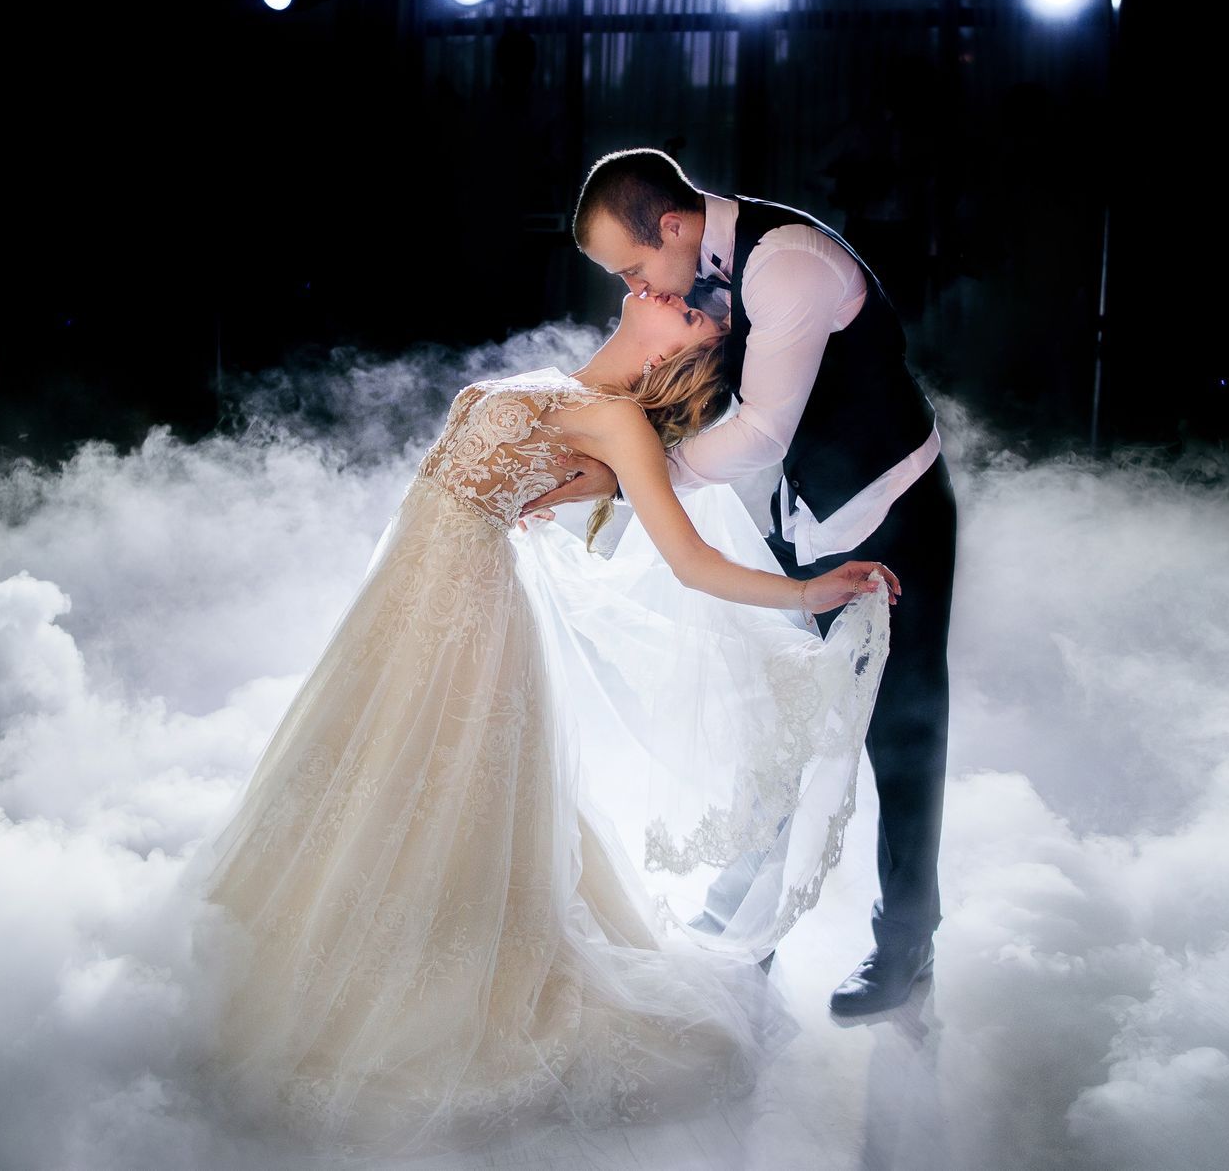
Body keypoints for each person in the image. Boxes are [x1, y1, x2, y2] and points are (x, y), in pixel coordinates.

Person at [173, 286, 899, 1160]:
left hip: (465, 622)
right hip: (399, 607)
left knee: (432, 793)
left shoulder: (618, 428)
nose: (684, 297)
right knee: (353, 773)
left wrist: (808, 591)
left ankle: (427, 979)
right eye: (696, 299)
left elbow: (692, 561)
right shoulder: (564, 388)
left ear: (680, 356)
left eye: (700, 314)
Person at [539, 147, 958, 1018]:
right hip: (806, 515)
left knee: (901, 733)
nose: (636, 287)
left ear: (677, 225)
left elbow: (763, 432)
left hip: (894, 507)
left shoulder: (788, 265)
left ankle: (907, 944)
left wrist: (635, 474)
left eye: (634, 265)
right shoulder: (696, 269)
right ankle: (743, 926)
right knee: (784, 714)